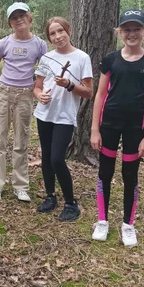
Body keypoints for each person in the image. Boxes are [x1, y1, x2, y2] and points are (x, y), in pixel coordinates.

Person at [91, 9, 144, 247]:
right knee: (105, 172)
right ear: (119, 32)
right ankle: (102, 221)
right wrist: (95, 129)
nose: (131, 33)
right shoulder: (110, 60)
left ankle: (128, 224)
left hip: (136, 128)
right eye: (127, 29)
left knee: (130, 175)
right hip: (109, 125)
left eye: (136, 29)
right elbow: (100, 95)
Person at [33, 17, 93, 221]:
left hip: (65, 116)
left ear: (69, 31)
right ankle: (50, 196)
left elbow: (88, 92)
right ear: (48, 37)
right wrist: (39, 95)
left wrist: (69, 85)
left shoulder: (81, 58)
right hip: (44, 113)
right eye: (52, 33)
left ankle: (70, 202)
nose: (58, 36)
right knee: (47, 157)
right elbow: (37, 86)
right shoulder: (47, 58)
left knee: (57, 158)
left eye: (61, 31)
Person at [0, 2, 47, 203]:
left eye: (22, 15)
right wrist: (3, 90)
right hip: (5, 93)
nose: (19, 19)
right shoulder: (4, 43)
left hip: (26, 95)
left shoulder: (39, 44)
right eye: (14, 17)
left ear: (29, 18)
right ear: (9, 22)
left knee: (22, 140)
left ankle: (20, 185)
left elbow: (43, 71)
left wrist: (33, 90)